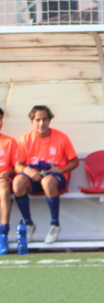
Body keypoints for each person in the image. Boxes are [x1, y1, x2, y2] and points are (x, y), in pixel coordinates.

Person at [12, 105, 79, 245]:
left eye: (45, 119)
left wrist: (60, 170)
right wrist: (27, 170)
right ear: (32, 121)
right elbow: (18, 165)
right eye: (38, 120)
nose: (41, 123)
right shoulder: (25, 139)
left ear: (49, 120)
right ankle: (29, 224)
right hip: (34, 178)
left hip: (55, 178)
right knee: (17, 182)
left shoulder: (61, 138)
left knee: (47, 182)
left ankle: (55, 225)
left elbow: (75, 162)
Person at [0, 107, 17, 254]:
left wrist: (9, 171)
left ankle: (3, 233)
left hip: (2, 179)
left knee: (4, 192)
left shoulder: (9, 142)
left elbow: (17, 167)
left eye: (0, 119)